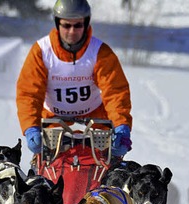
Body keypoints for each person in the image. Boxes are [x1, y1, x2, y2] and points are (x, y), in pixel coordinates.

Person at [16, 0, 133, 161]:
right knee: (47, 176)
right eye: (66, 25)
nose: (72, 31)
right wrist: (31, 128)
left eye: (77, 25)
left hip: (95, 124)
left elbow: (115, 93)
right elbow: (29, 94)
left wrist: (121, 126)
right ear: (58, 24)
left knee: (108, 172)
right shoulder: (42, 52)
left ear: (86, 23)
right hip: (54, 124)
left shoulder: (100, 52)